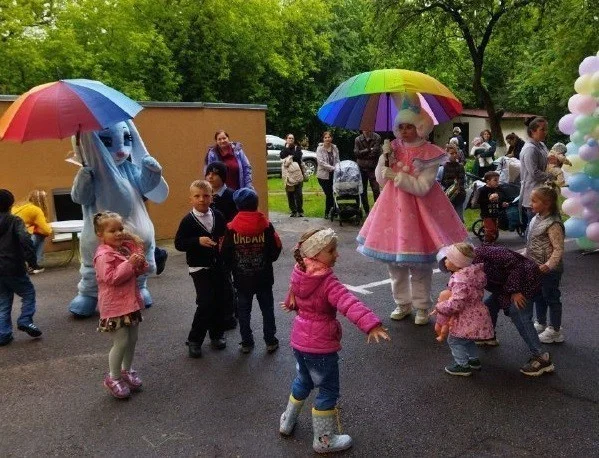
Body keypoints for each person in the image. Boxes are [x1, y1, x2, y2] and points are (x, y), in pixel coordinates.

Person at [356, 95, 468, 325]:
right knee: (395, 266)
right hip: (391, 213)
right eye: (401, 126)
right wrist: (383, 160)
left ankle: (422, 307)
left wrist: (397, 176)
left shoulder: (429, 153)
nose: (404, 131)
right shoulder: (393, 148)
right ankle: (402, 303)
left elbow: (423, 187)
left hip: (421, 215)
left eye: (410, 126)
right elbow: (381, 180)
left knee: (419, 266)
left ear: (421, 127)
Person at [279, 228, 390, 454]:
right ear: (315, 254)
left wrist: (291, 304)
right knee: (328, 389)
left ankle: (287, 421)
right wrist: (371, 324)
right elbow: (348, 302)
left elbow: (295, 292)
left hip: (299, 341)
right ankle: (324, 440)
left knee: (303, 380)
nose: (337, 255)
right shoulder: (326, 281)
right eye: (331, 251)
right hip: (320, 346)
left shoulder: (301, 270)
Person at [471, 244, 554, 376]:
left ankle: (541, 357)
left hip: (526, 282)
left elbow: (516, 265)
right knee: (489, 306)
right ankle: (489, 336)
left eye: (447, 261)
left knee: (519, 315)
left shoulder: (487, 253)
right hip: (507, 288)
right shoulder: (468, 267)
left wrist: (515, 290)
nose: (446, 265)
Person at [221, 188, 282, 354]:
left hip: (241, 280)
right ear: (256, 204)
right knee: (267, 310)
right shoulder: (266, 226)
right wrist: (267, 260)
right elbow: (276, 248)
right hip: (264, 278)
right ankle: (270, 340)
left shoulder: (231, 228)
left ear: (237, 206)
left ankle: (247, 342)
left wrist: (233, 267)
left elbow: (225, 252)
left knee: (243, 312)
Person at [93, 211, 147, 399]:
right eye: (112, 230)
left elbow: (134, 273)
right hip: (115, 307)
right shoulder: (103, 255)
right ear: (100, 234)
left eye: (120, 229)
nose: (118, 233)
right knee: (121, 341)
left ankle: (126, 370)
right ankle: (113, 377)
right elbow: (111, 278)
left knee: (132, 340)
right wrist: (129, 264)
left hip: (130, 303)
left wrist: (139, 263)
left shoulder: (123, 250)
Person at [174, 180, 228, 358]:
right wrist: (197, 241)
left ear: (212, 197)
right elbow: (179, 244)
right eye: (197, 196)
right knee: (205, 302)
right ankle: (195, 340)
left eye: (206, 196)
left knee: (220, 300)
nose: (202, 199)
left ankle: (216, 335)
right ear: (191, 199)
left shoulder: (218, 215)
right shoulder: (188, 221)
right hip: (199, 267)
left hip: (218, 265)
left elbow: (224, 237)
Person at [433, 243, 494, 376]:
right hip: (478, 313)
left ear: (457, 262)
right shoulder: (474, 274)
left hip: (466, 317)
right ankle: (473, 360)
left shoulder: (460, 280)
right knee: (468, 339)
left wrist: (440, 306)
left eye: (448, 259)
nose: (445, 261)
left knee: (454, 340)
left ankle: (462, 365)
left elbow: (456, 304)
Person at [0, 189, 43, 346]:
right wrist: (32, 261)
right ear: (11, 205)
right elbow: (25, 239)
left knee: (3, 300)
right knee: (28, 293)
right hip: (13, 266)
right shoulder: (14, 221)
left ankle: (3, 334)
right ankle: (25, 319)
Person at [526, 183, 566, 344]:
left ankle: (555, 330)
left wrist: (549, 265)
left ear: (547, 203)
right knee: (539, 296)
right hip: (536, 267)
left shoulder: (553, 224)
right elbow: (532, 243)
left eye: (534, 201)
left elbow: (558, 249)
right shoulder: (536, 218)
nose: (531, 204)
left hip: (549, 270)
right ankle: (541, 322)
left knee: (551, 297)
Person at [206, 161, 238, 331]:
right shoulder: (205, 196)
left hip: (227, 244)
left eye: (215, 173)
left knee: (227, 280)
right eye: (208, 173)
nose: (210, 176)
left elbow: (235, 221)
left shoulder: (231, 196)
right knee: (216, 280)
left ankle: (230, 314)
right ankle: (221, 312)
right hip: (211, 245)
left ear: (223, 177)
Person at [519, 117, 551, 227]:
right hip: (533, 192)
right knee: (534, 226)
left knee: (543, 226)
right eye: (542, 130)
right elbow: (534, 173)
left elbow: (548, 161)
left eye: (546, 129)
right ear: (532, 131)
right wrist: (551, 176)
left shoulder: (541, 145)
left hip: (542, 191)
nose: (545, 132)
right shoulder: (530, 149)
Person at [11, 189, 52, 273]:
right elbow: (46, 230)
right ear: (41, 200)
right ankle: (34, 263)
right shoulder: (36, 210)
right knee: (41, 235)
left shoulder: (19, 206)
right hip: (20, 240)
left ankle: (29, 263)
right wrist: (49, 228)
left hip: (9, 237)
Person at [353, 130, 382, 214]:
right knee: (362, 190)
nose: (366, 129)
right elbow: (356, 153)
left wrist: (362, 154)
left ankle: (377, 211)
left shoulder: (377, 137)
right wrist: (368, 149)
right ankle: (366, 211)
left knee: (376, 189)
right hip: (361, 168)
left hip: (373, 167)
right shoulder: (357, 139)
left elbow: (375, 153)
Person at [477, 171, 509, 243]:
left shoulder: (496, 190)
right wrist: (489, 199)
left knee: (495, 229)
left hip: (495, 213)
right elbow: (480, 201)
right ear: (488, 181)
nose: (497, 182)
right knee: (490, 229)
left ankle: (492, 240)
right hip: (487, 214)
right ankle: (487, 242)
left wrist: (502, 204)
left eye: (498, 180)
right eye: (495, 180)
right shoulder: (483, 190)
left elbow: (497, 201)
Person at [438, 143, 467, 222]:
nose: (454, 155)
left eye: (456, 153)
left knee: (459, 219)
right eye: (451, 153)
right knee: (448, 219)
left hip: (460, 196)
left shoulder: (461, 167)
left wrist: (461, 190)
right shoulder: (442, 168)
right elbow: (437, 183)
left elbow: (464, 180)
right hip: (447, 198)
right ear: (446, 154)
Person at [315, 131, 340, 218]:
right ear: (323, 139)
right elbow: (321, 162)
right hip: (323, 176)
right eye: (325, 137)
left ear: (331, 138)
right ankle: (328, 212)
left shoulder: (335, 148)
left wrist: (338, 167)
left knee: (333, 193)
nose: (327, 139)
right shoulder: (320, 149)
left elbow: (337, 159)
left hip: (333, 175)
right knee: (329, 194)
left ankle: (333, 212)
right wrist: (333, 168)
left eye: (329, 137)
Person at [280, 133, 305, 217]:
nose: (291, 140)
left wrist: (289, 155)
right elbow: (282, 156)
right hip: (288, 175)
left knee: (299, 194)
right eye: (289, 138)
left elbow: (297, 157)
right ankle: (293, 211)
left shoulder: (297, 148)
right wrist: (288, 149)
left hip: (297, 175)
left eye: (292, 138)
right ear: (286, 139)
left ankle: (300, 211)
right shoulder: (284, 149)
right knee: (290, 194)